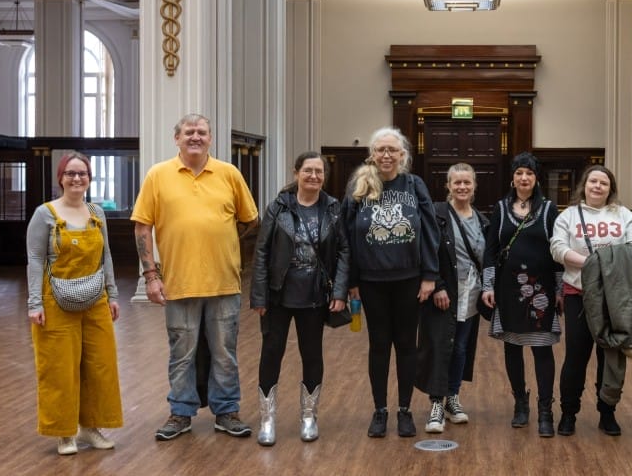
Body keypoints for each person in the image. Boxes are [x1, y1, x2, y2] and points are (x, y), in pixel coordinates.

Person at [132, 114, 260, 441]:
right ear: (177, 138)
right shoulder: (158, 175)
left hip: (224, 283)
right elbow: (143, 226)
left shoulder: (229, 174)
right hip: (179, 283)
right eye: (188, 132)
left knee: (225, 353)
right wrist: (150, 275)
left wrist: (222, 241)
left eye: (201, 132)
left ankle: (227, 411)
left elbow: (250, 219)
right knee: (181, 353)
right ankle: (180, 413)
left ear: (210, 139)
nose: (195, 137)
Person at [343, 127, 440, 439]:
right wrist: (352, 281)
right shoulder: (360, 185)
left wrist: (429, 276)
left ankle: (405, 410)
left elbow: (429, 231)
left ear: (402, 155)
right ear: (373, 154)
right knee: (379, 345)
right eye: (381, 150)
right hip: (371, 282)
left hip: (409, 280)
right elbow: (347, 237)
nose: (386, 155)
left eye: (392, 150)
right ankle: (380, 410)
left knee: (406, 345)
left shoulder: (414, 184)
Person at [249, 151, 349, 446]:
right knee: (271, 354)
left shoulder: (332, 208)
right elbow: (262, 252)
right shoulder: (278, 208)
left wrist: (340, 291)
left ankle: (309, 416)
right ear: (296, 173)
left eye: (319, 172)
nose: (314, 176)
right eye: (308, 171)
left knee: (312, 354)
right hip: (279, 294)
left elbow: (344, 251)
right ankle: (267, 419)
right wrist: (259, 294)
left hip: (315, 295)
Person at [26, 152, 123, 456]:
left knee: (100, 365)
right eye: (71, 173)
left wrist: (113, 293)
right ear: (61, 178)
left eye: (82, 173)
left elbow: (106, 255)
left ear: (89, 178)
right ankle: (64, 432)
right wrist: (34, 302)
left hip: (95, 298)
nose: (77, 178)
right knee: (60, 367)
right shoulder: (45, 214)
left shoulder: (96, 212)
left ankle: (91, 427)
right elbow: (34, 259)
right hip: (55, 300)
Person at [551, 164, 632, 437]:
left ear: (610, 189)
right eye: (593, 181)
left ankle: (607, 412)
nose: (597, 187)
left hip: (615, 296)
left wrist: (604, 265)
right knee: (576, 357)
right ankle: (569, 413)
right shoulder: (568, 216)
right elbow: (558, 248)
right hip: (578, 295)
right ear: (585, 184)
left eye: (604, 183)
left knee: (611, 355)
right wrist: (594, 264)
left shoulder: (623, 214)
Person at [482, 151, 562, 437]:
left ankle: (545, 410)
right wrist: (487, 286)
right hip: (508, 291)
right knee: (512, 348)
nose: (524, 178)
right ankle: (520, 404)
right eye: (519, 173)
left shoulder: (549, 209)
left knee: (542, 349)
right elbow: (490, 252)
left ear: (536, 178)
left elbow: (558, 253)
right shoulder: (501, 208)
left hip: (541, 292)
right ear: (513, 178)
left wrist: (561, 290)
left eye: (529, 173)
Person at [416, 163, 488, 433]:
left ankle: (452, 398)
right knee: (438, 346)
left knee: (460, 348)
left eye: (467, 182)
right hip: (443, 293)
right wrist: (438, 285)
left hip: (470, 294)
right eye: (456, 182)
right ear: (448, 185)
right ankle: (436, 402)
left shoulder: (482, 220)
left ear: (474, 186)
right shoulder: (437, 215)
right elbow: (426, 251)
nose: (462, 187)